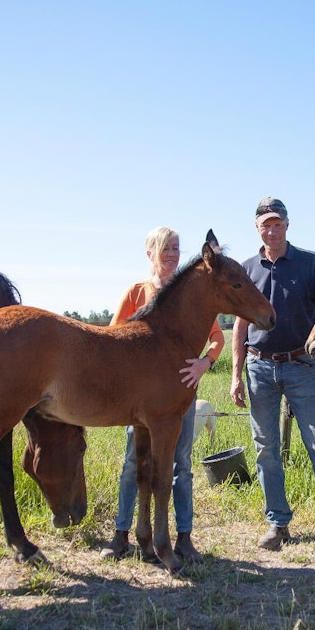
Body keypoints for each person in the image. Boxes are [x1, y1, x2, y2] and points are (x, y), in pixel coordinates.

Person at [230, 197, 315, 553]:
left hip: (300, 365)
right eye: (265, 224)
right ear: (257, 228)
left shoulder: (311, 264)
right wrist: (236, 374)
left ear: (287, 224)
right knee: (266, 449)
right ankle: (277, 523)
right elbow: (239, 326)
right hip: (259, 367)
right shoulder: (247, 268)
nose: (271, 229)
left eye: (277, 223)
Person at [100, 226, 224, 564]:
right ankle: (120, 535)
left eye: (177, 248)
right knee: (132, 464)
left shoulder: (191, 295)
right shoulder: (137, 293)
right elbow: (112, 339)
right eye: (166, 248)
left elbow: (217, 337)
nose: (172, 254)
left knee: (181, 464)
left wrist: (204, 363)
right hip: (140, 399)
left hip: (181, 395)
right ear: (151, 251)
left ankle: (184, 537)